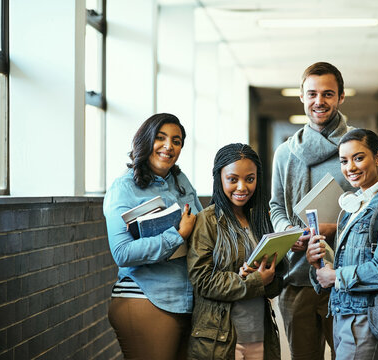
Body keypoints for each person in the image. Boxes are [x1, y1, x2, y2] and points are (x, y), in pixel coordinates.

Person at [269, 61, 356, 359]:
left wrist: (338, 229)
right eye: (312, 94)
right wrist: (286, 232)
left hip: (346, 276)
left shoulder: (358, 147)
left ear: (341, 97)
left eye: (328, 94)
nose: (319, 101)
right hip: (297, 278)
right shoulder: (284, 153)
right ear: (302, 97)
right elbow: (276, 206)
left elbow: (376, 207)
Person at [305, 128, 378, 360]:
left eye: (358, 158)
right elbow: (347, 262)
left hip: (365, 316)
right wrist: (318, 261)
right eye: (344, 161)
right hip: (343, 311)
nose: (350, 168)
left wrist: (334, 277)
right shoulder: (353, 205)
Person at [103, 113, 202, 359]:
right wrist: (177, 235)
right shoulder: (123, 188)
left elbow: (200, 225)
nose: (169, 146)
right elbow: (122, 253)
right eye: (161, 138)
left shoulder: (180, 180)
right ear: (146, 140)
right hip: (145, 299)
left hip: (183, 301)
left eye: (176, 141)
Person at [187, 143, 285, 360]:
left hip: (259, 334)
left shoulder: (261, 220)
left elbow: (275, 282)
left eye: (250, 179)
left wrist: (270, 277)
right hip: (219, 338)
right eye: (233, 179)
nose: (242, 187)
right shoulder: (208, 221)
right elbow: (202, 281)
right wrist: (253, 280)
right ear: (219, 178)